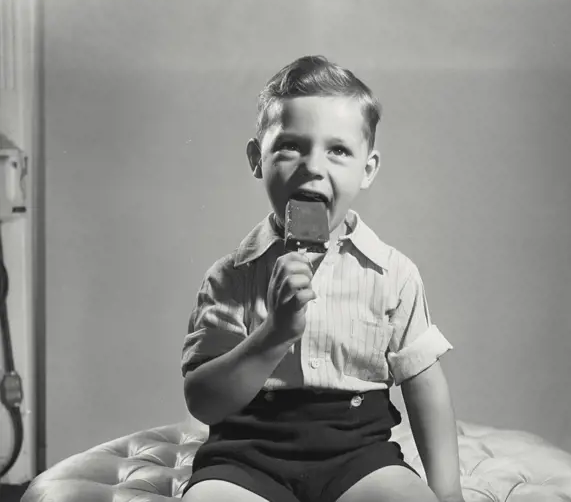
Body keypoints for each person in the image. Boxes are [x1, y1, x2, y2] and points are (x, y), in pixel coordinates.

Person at [181, 55, 464, 502]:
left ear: (366, 170)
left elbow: (423, 383)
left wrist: (449, 495)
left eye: (338, 150)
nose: (313, 166)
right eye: (291, 146)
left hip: (359, 455)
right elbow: (203, 401)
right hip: (244, 454)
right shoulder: (229, 278)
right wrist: (275, 334)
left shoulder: (394, 275)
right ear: (258, 159)